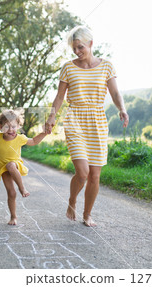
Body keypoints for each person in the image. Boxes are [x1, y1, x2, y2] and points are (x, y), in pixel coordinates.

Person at [45, 25, 129, 227]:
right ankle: (72, 200)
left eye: (80, 47)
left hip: (97, 120)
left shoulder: (107, 66)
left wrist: (122, 108)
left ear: (91, 44)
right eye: (74, 48)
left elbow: (115, 93)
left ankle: (87, 214)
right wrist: (51, 116)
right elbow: (59, 97)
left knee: (95, 175)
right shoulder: (68, 67)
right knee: (82, 173)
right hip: (75, 117)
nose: (77, 52)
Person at [0, 109, 47, 225]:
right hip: (3, 169)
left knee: (11, 165)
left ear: (18, 126)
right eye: (7, 127)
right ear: (0, 126)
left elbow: (33, 141)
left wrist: (44, 133)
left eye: (13, 126)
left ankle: (22, 188)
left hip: (15, 165)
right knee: (11, 193)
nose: (11, 130)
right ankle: (13, 217)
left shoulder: (20, 138)